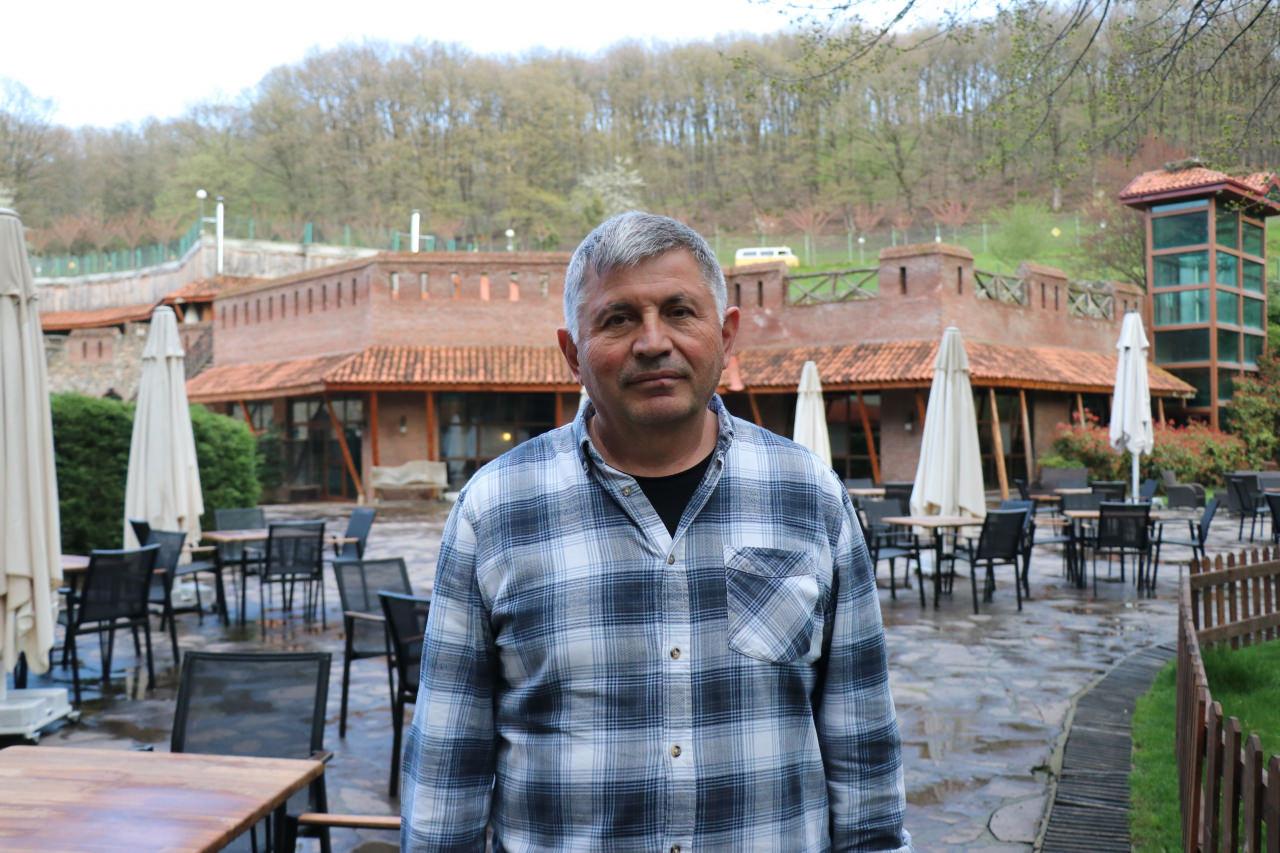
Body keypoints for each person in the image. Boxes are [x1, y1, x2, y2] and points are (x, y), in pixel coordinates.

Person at [401, 212, 912, 852]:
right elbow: (448, 759)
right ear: (572, 353)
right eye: (618, 319)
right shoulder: (495, 508)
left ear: (725, 335)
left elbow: (863, 743)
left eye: (679, 312)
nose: (652, 342)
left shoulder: (808, 494)